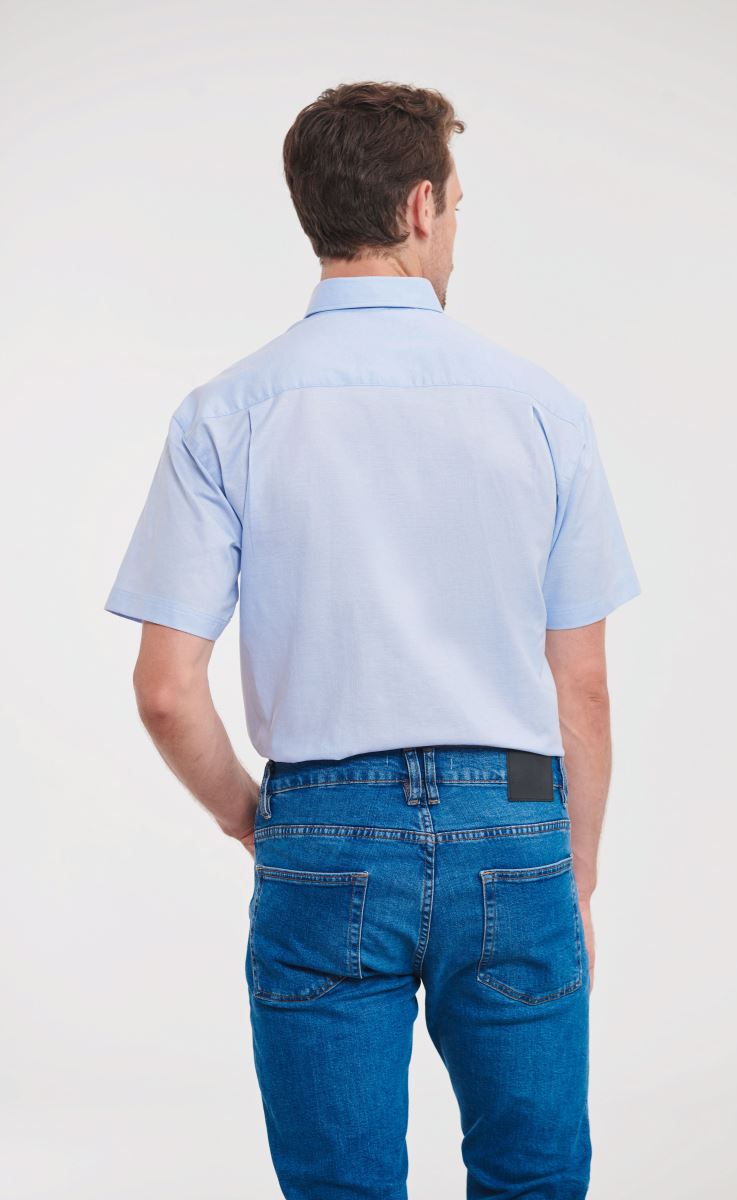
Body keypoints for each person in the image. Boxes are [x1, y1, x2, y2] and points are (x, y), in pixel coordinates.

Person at [104, 80, 640, 1199]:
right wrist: (574, 878)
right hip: (514, 817)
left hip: (321, 823)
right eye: (456, 205)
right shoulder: (541, 408)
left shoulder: (225, 414)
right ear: (418, 207)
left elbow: (165, 690)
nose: (454, 230)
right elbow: (579, 687)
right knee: (534, 1177)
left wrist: (253, 817)